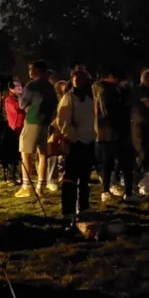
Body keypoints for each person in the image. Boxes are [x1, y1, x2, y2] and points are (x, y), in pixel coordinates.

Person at [94, 66, 139, 203]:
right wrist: (124, 97)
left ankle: (108, 191)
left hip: (108, 132)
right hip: (114, 131)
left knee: (111, 163)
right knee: (121, 162)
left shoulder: (106, 90)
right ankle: (124, 192)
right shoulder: (107, 91)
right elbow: (112, 111)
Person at [56, 69, 95, 230]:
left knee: (84, 178)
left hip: (88, 141)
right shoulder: (69, 98)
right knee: (70, 179)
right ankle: (68, 212)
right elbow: (63, 122)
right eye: (76, 78)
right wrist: (74, 138)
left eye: (82, 78)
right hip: (75, 143)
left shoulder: (88, 98)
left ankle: (83, 206)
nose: (79, 81)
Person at [16, 61, 58, 198]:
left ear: (37, 70)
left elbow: (22, 105)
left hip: (32, 121)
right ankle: (41, 186)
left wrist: (21, 97)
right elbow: (54, 106)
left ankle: (26, 186)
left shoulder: (31, 85)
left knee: (25, 153)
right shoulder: (50, 87)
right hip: (45, 123)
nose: (29, 72)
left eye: (31, 69)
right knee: (42, 154)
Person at [131, 69, 149, 173]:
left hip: (144, 122)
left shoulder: (141, 90)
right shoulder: (141, 91)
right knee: (143, 148)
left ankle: (145, 169)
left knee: (147, 148)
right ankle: (142, 170)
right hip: (141, 123)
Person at [44, 80, 69, 192]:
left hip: (65, 129)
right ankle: (51, 179)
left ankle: (62, 175)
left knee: (64, 155)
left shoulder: (70, 99)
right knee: (52, 155)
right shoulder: (54, 101)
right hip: (54, 130)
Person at [1, 78, 25, 184]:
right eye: (18, 86)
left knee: (22, 154)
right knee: (13, 154)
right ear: (11, 89)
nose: (20, 88)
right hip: (14, 129)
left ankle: (22, 175)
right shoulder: (9, 100)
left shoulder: (21, 98)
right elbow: (18, 108)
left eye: (21, 86)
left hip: (23, 128)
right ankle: (11, 177)